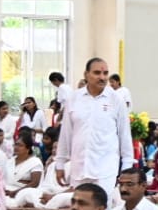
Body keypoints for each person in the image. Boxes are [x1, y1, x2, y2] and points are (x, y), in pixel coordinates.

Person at [53, 58, 131, 200]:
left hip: (105, 169)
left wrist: (127, 167)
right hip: (79, 166)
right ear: (86, 74)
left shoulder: (116, 99)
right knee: (81, 208)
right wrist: (60, 163)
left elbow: (124, 135)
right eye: (97, 73)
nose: (102, 77)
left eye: (105, 73)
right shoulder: (74, 98)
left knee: (102, 207)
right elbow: (66, 134)